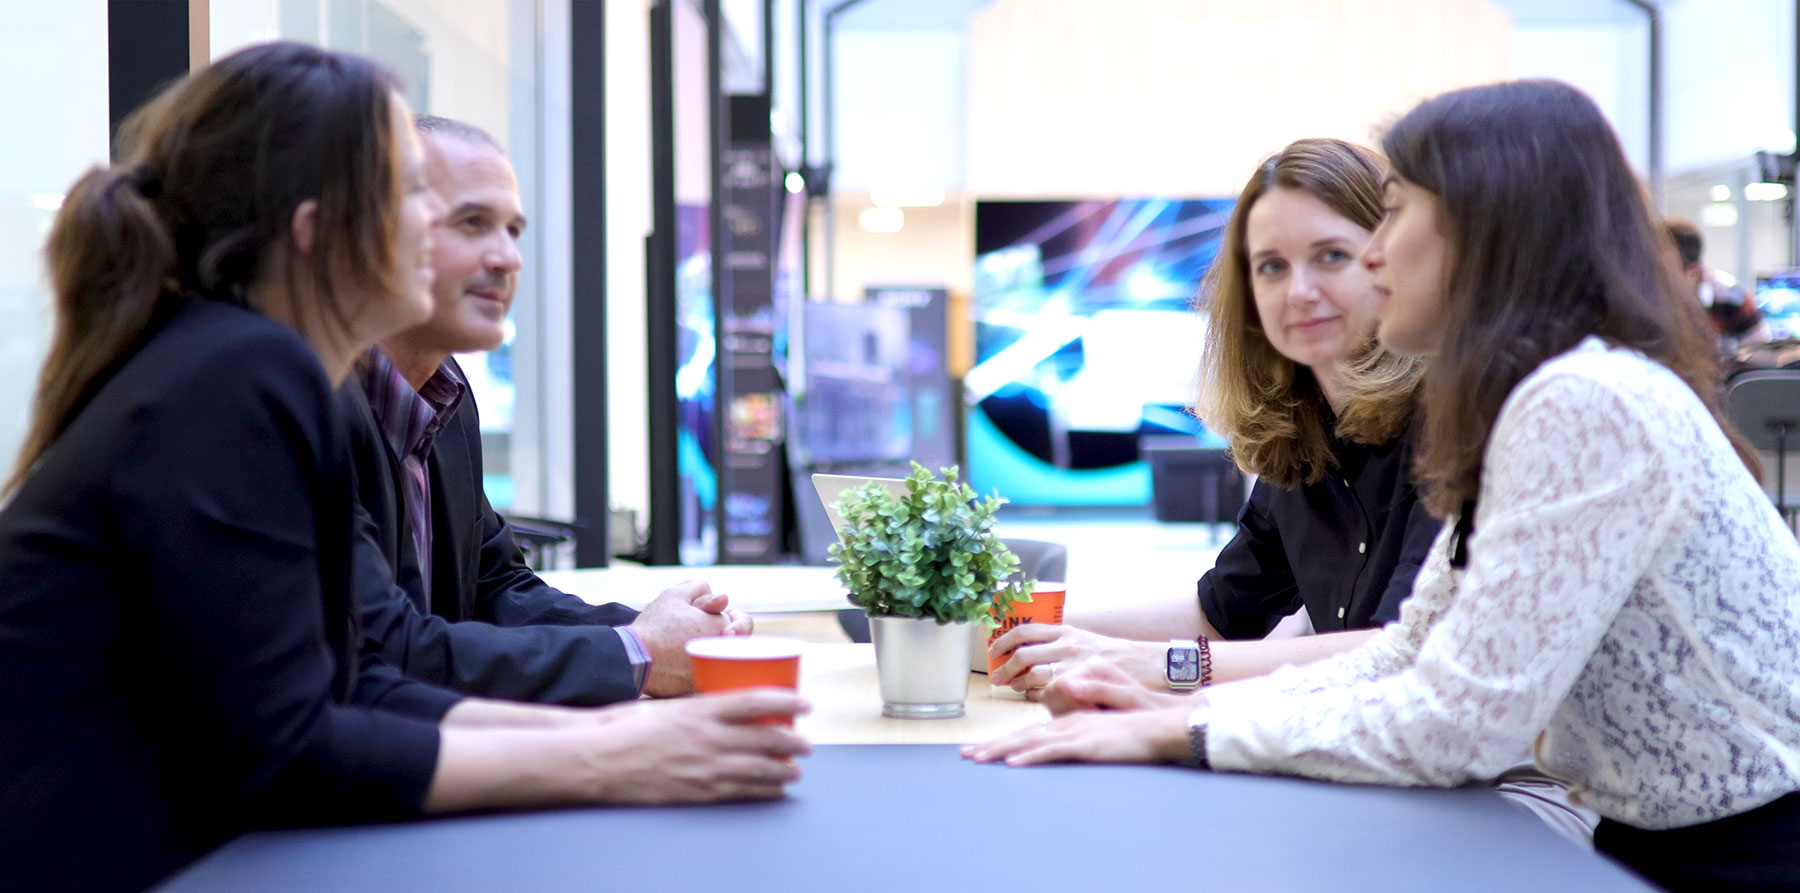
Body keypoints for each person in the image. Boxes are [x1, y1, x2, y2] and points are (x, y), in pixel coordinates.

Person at [0, 43, 805, 893]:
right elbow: (295, 748)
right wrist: (613, 751)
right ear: (318, 233)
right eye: (420, 197)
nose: (493, 249)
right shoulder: (238, 375)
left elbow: (362, 686)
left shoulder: (250, 369)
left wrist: (635, 725)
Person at [967, 80, 1800, 891]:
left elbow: (1455, 722)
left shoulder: (1581, 403)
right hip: (1656, 836)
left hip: (1743, 852)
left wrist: (1180, 719)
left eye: (1392, 213)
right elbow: (1411, 652)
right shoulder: (1532, 399)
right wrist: (1168, 714)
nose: (1370, 255)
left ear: (1485, 230)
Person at [988, 138, 1438, 695]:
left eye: (1331, 256)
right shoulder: (1299, 441)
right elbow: (1221, 614)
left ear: (1389, 261)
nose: (1298, 292)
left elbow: (1403, 652)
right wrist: (1009, 624)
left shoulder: (1451, 425)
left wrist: (1154, 665)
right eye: (1271, 266)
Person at [345, 114, 743, 706]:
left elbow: (496, 587)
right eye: (473, 223)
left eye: (512, 231)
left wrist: (655, 634)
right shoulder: (311, 408)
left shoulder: (446, 398)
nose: (508, 258)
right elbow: (385, 654)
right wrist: (636, 654)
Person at [1664, 217, 1770, 353]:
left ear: (1692, 272)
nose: (1655, 278)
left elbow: (1762, 355)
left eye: (1664, 272)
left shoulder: (1732, 298)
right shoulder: (1646, 303)